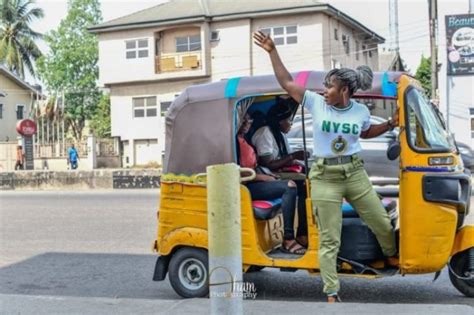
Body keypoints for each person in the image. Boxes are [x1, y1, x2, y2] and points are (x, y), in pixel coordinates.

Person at [253, 31, 399, 303]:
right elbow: (286, 82)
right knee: (329, 238)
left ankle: (390, 254)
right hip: (324, 176)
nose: (324, 90)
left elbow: (365, 133)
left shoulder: (361, 112)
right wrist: (272, 50)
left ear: (344, 90)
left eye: (329, 86)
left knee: (380, 220)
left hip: (354, 172)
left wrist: (390, 124)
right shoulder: (316, 102)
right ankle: (331, 291)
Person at [239, 113, 306, 254]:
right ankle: (288, 239)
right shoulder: (233, 142)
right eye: (243, 121)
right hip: (246, 186)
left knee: (302, 185)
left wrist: (264, 174)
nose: (246, 124)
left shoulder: (243, 140)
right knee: (290, 186)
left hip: (255, 179)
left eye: (249, 121)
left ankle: (302, 233)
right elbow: (237, 171)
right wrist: (260, 177)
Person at [251, 100, 309, 246]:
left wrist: (301, 164)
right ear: (279, 122)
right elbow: (268, 163)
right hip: (267, 174)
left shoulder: (280, 135)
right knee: (302, 184)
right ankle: (292, 236)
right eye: (288, 120)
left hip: (278, 171)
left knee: (309, 179)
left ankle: (303, 232)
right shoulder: (265, 133)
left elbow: (286, 159)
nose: (290, 124)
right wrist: (293, 157)